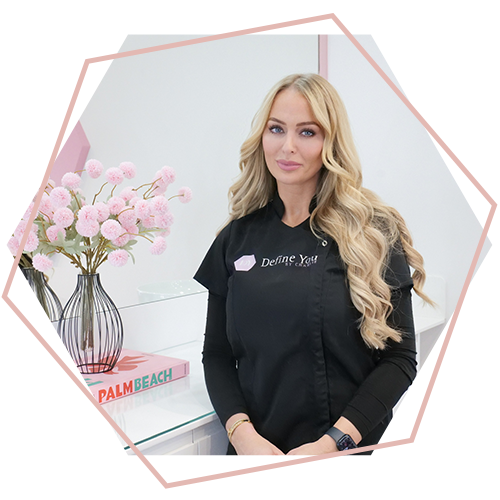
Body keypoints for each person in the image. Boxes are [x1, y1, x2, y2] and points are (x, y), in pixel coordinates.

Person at [194, 73, 433, 457]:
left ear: (330, 143)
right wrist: (243, 436)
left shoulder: (372, 232)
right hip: (258, 454)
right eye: (277, 129)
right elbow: (217, 355)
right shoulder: (235, 238)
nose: (287, 147)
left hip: (348, 451)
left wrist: (332, 444)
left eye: (307, 132)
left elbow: (399, 360)